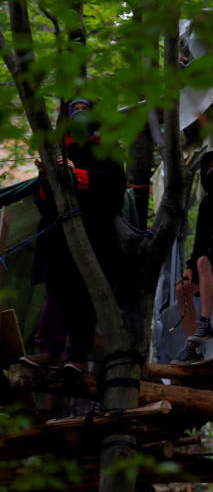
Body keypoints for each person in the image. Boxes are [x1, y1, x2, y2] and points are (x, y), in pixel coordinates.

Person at [19, 98, 126, 373]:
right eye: (75, 111)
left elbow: (112, 188)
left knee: (84, 294)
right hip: (60, 237)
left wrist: (76, 174)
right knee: (56, 292)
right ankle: (49, 350)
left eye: (84, 111)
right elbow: (44, 202)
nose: (79, 115)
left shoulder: (108, 150)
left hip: (95, 235)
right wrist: (46, 177)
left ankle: (76, 355)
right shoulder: (59, 149)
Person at [172, 151, 213, 365]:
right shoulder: (208, 202)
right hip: (209, 263)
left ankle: (206, 321)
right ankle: (194, 346)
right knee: (182, 288)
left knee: (202, 262)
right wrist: (189, 267)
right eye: (209, 167)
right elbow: (200, 238)